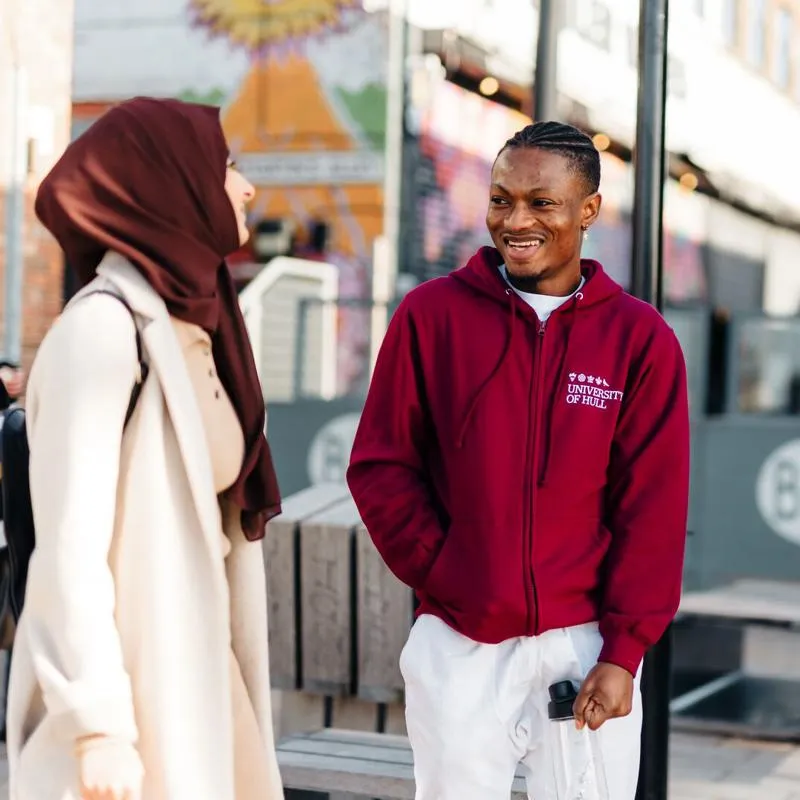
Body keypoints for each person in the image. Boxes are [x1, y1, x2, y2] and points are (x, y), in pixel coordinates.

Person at [347, 121, 690, 800]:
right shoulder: (431, 317)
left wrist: (624, 651)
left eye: (542, 202)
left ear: (588, 210)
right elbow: (382, 465)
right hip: (460, 641)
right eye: (501, 200)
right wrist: (447, 571)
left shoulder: (639, 340)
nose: (516, 221)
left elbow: (652, 508)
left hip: (585, 645)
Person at [6, 97, 284, 800]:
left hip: (204, 683)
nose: (247, 188)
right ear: (172, 179)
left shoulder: (202, 324)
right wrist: (96, 725)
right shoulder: (103, 330)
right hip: (132, 695)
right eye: (225, 166)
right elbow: (69, 550)